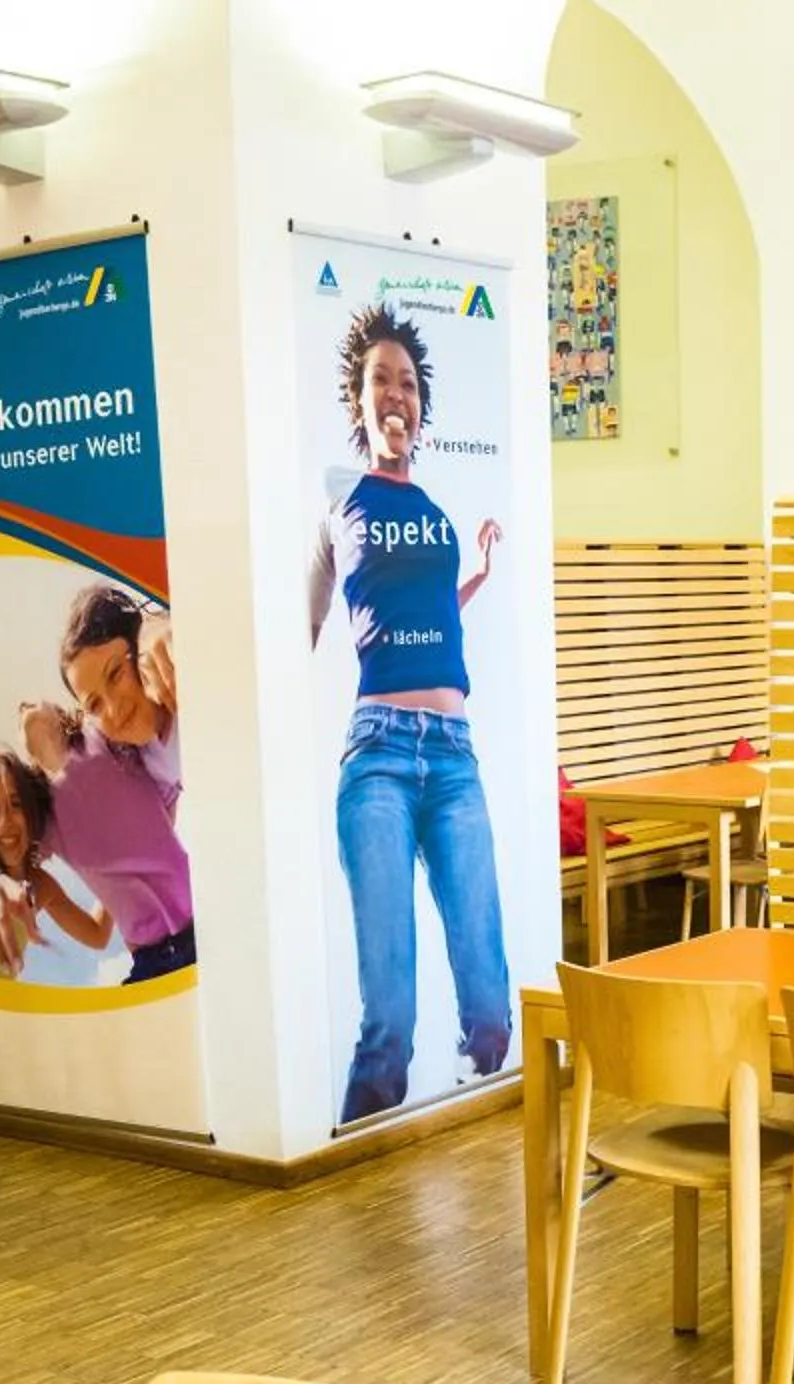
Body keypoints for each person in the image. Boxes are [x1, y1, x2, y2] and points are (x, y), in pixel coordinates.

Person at [307, 303, 509, 1121]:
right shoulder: (335, 493)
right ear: (358, 403)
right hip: (379, 757)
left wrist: (480, 578)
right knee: (389, 1021)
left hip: (455, 756)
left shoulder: (434, 505)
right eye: (380, 381)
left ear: (422, 405)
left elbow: (424, 613)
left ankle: (482, 1180)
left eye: (409, 383)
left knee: (493, 1018)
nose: (397, 394)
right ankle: (364, 1200)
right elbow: (311, 614)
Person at [0, 583, 196, 985]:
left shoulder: (116, 743)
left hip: (201, 924)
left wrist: (157, 624)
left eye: (117, 674)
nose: (112, 708)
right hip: (152, 957)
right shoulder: (53, 820)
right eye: (93, 702)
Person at [0, 745, 116, 960]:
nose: (5, 822)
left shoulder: (41, 885)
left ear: (32, 813)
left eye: (16, 804)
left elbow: (97, 934)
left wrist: (116, 860)